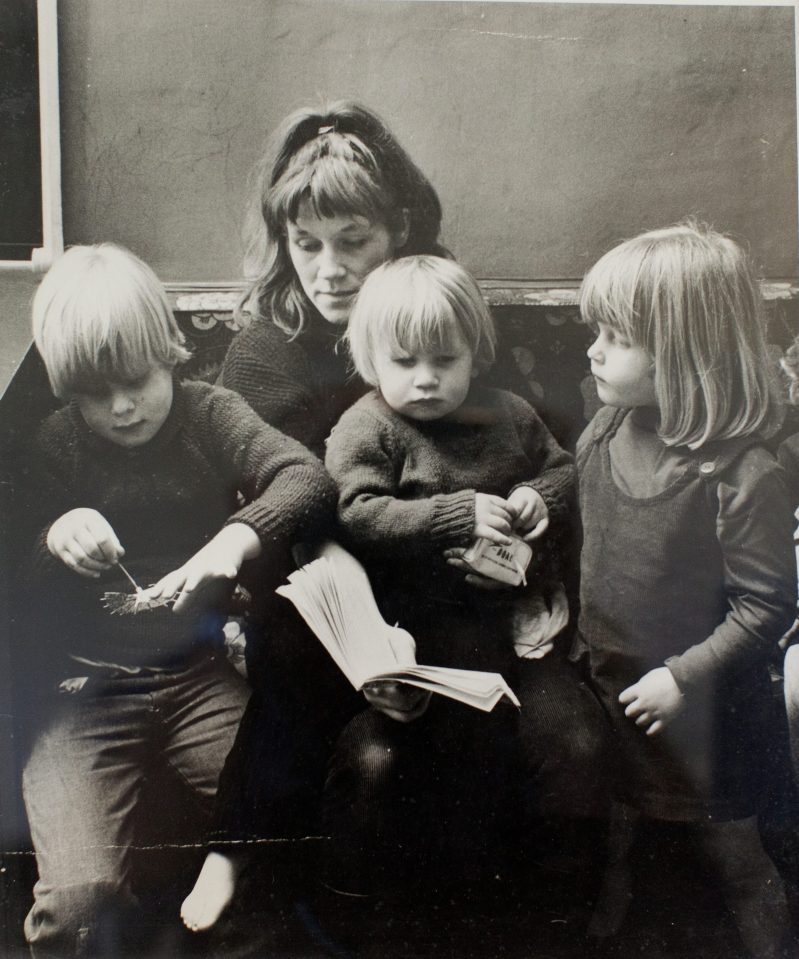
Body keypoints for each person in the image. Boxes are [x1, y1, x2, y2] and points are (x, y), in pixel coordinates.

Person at [181, 99, 455, 931]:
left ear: (398, 228)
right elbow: (296, 508)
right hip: (308, 576)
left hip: (422, 565)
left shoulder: (428, 314)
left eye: (353, 242)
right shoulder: (265, 349)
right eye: (307, 246)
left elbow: (487, 440)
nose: (328, 269)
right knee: (298, 644)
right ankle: (233, 850)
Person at [20, 243, 336, 956]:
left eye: (135, 380)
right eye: (94, 394)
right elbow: (14, 559)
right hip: (82, 692)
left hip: (201, 675)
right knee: (78, 903)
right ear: (66, 391)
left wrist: (236, 538)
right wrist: (55, 536)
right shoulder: (53, 445)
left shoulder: (209, 414)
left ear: (171, 350)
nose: (121, 406)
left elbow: (306, 479)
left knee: (286, 821)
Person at [322, 255, 609, 899]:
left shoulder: (509, 414)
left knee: (577, 742)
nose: (425, 380)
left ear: (475, 355)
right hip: (414, 647)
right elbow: (354, 513)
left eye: (443, 362)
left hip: (516, 637)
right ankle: (395, 913)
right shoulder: (368, 426)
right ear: (371, 360)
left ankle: (558, 911)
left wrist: (542, 496)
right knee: (398, 761)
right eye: (403, 363)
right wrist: (451, 514)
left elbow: (563, 471)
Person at [575, 221, 795, 958]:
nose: (593, 349)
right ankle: (611, 902)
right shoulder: (604, 429)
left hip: (707, 711)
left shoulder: (741, 474)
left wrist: (680, 676)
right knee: (620, 815)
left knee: (735, 860)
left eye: (616, 335)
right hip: (611, 679)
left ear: (686, 352)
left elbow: (766, 605)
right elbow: (594, 539)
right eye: (594, 330)